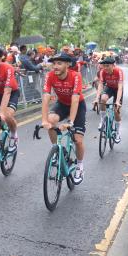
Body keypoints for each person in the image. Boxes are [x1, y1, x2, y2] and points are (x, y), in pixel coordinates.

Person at [41, 52, 86, 184]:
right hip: (62, 104)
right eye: (54, 63)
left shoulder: (75, 76)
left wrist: (70, 121)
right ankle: (57, 149)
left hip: (77, 105)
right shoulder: (49, 76)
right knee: (51, 120)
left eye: (59, 63)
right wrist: (44, 120)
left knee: (77, 140)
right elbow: (46, 97)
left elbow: (75, 99)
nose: (55, 66)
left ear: (68, 64)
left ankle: (80, 166)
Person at [97, 55, 124, 144]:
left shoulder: (119, 71)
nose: (105, 68)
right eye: (104, 66)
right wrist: (97, 98)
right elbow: (101, 85)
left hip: (117, 90)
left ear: (113, 65)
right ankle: (103, 120)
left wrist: (117, 101)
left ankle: (117, 132)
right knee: (103, 99)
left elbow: (120, 87)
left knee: (116, 110)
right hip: (109, 87)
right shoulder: (102, 72)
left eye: (108, 66)